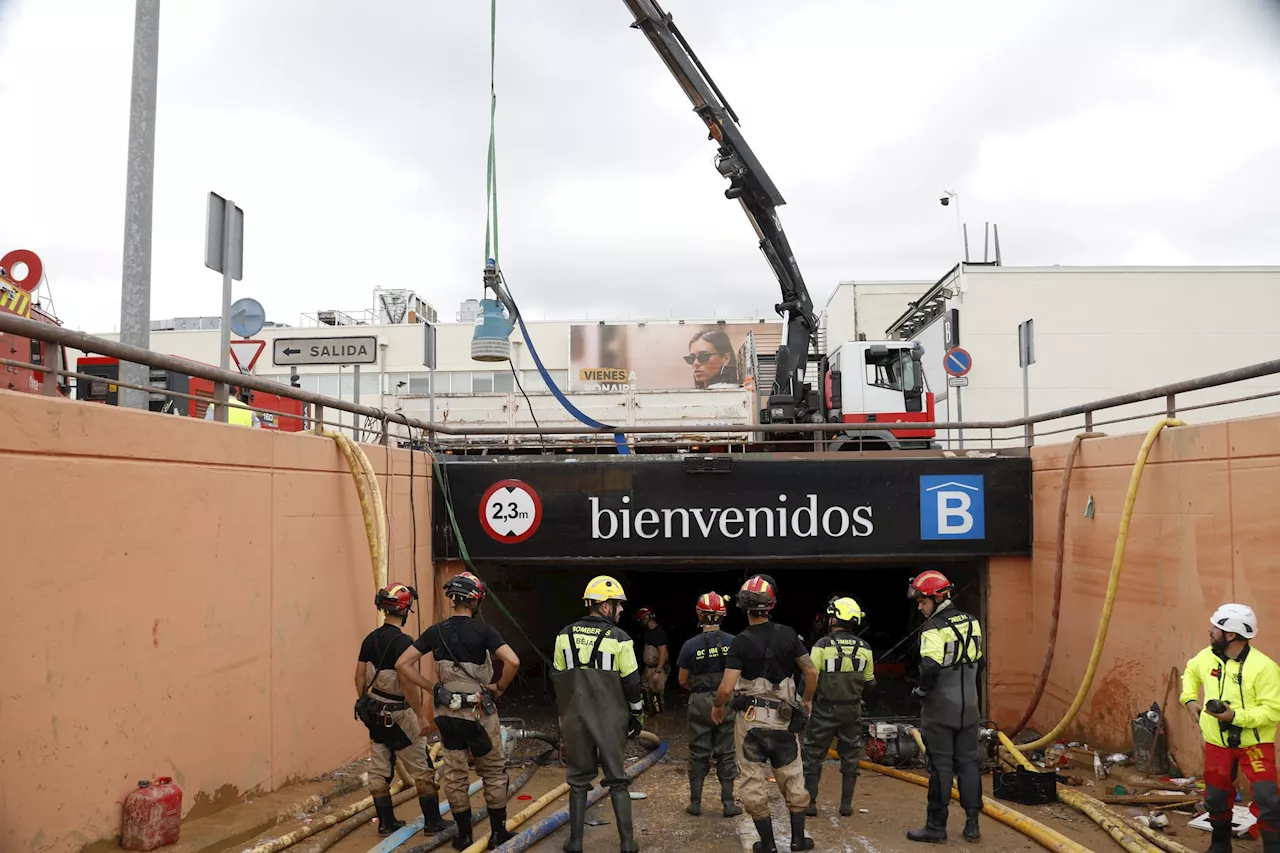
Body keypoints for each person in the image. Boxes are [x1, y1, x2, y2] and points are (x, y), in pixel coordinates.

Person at [395, 572, 520, 851]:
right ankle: (498, 833)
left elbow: (403, 663)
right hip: (478, 713)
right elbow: (512, 660)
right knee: (493, 772)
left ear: (452, 599)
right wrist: (498, 687)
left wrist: (432, 688)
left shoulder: (435, 631)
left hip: (446, 715)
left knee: (454, 774)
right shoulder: (485, 631)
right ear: (475, 601)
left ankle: (464, 836)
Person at [711, 575, 818, 853]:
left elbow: (726, 687)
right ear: (771, 606)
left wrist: (718, 706)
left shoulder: (740, 643)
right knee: (793, 776)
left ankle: (768, 844)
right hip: (783, 721)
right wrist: (806, 700)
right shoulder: (789, 634)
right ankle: (797, 840)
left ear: (744, 607)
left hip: (750, 722)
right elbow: (811, 671)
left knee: (752, 781)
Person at [553, 575, 646, 853]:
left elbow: (557, 678)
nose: (621, 611)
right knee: (617, 780)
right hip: (610, 720)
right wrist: (636, 715)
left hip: (575, 719)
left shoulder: (564, 635)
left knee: (578, 781)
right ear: (605, 607)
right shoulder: (620, 638)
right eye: (618, 606)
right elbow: (631, 682)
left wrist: (564, 719)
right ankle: (628, 844)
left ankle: (576, 842)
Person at [1181, 603, 1280, 853]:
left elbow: (1273, 711)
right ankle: (1220, 845)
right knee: (1215, 797)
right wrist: (1190, 699)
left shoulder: (1265, 668)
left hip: (1255, 746)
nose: (1210, 630)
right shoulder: (1206, 657)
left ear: (1231, 634)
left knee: (1268, 800)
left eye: (1216, 626)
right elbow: (1191, 672)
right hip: (1217, 744)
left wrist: (1234, 716)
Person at [354, 583, 450, 837]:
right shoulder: (404, 643)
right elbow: (407, 682)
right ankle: (433, 822)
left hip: (374, 712)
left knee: (379, 766)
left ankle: (386, 823)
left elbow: (359, 676)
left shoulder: (370, 638)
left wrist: (367, 701)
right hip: (399, 713)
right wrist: (419, 716)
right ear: (405, 610)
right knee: (422, 766)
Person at [905, 570, 984, 844]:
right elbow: (980, 662)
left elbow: (930, 668)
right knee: (968, 763)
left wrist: (921, 690)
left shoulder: (932, 629)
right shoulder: (972, 621)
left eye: (922, 601)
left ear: (936, 599)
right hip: (969, 708)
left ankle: (935, 828)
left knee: (940, 768)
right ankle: (972, 825)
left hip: (941, 709)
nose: (919, 607)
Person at [802, 596, 874, 818]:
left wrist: (806, 700)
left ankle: (811, 804)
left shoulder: (822, 645)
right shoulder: (865, 648)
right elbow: (870, 682)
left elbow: (809, 677)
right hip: (852, 712)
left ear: (835, 619)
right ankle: (845, 806)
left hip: (823, 711)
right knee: (851, 757)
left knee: (813, 756)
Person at [675, 592, 742, 818]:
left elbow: (682, 680)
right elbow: (740, 676)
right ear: (723, 615)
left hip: (700, 701)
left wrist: (698, 690)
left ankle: (695, 803)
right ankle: (728, 803)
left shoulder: (689, 646)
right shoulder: (734, 642)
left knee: (698, 752)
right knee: (727, 752)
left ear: (699, 613)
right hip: (727, 700)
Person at [635, 607, 669, 715]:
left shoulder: (659, 632)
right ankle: (650, 715)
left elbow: (663, 653)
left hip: (656, 668)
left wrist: (658, 671)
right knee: (646, 692)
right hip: (648, 668)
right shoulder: (648, 632)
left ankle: (659, 720)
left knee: (657, 695)